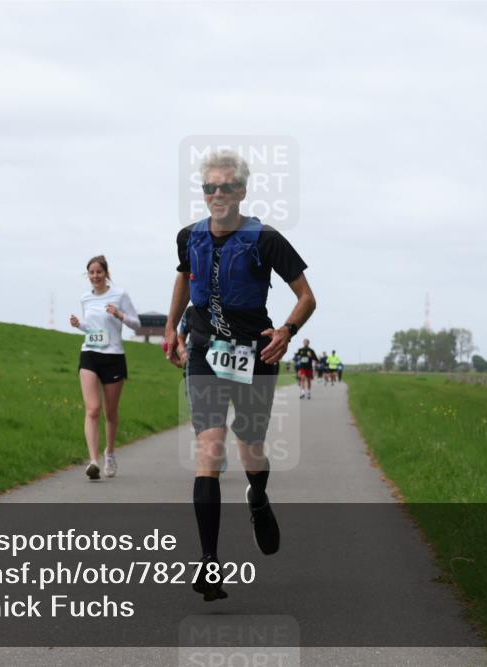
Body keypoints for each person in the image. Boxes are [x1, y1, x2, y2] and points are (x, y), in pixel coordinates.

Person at [164, 150, 316, 601]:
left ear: (242, 191)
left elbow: (307, 296)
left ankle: (258, 497)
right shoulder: (188, 236)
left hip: (255, 352)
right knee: (209, 449)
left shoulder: (265, 238)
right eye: (209, 187)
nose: (216, 194)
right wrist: (172, 326)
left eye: (225, 187)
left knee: (251, 451)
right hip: (204, 351)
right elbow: (183, 276)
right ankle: (210, 565)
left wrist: (287, 331)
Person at [69, 255, 141, 480]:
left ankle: (109, 453)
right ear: (87, 275)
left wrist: (119, 314)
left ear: (106, 273)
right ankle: (93, 461)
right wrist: (79, 325)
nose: (95, 276)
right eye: (91, 273)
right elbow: (92, 328)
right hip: (90, 353)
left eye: (99, 272)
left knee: (110, 412)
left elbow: (137, 324)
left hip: (113, 356)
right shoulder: (85, 298)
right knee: (92, 409)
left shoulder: (119, 295)